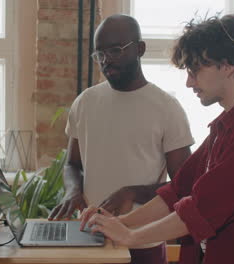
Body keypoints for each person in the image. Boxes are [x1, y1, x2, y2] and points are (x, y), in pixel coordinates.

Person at [80, 14, 234, 264]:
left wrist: (131, 237)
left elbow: (199, 210)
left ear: (227, 65)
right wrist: (119, 223)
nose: (189, 82)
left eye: (195, 70)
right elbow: (177, 191)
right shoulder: (227, 126)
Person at [48, 14, 194, 264]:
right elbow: (73, 164)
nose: (106, 61)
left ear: (140, 49)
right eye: (100, 54)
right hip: (91, 238)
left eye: (115, 50)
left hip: (142, 241)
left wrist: (132, 192)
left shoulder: (167, 108)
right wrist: (73, 190)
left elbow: (184, 186)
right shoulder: (85, 102)